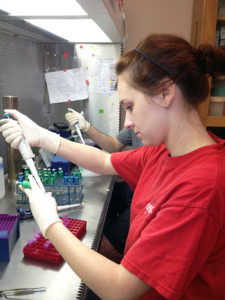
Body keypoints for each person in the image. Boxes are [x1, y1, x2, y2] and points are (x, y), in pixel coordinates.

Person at [1, 33, 225, 299]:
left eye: (130, 106)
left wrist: (50, 224)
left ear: (166, 93)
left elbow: (120, 289)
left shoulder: (200, 187)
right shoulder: (164, 152)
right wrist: (45, 138)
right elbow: (105, 160)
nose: (127, 122)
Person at [65, 109, 142, 263]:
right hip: (133, 188)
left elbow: (105, 162)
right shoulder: (136, 127)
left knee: (102, 246)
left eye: (131, 106)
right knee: (99, 208)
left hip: (144, 199)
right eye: (127, 108)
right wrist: (87, 127)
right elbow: (113, 145)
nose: (128, 123)